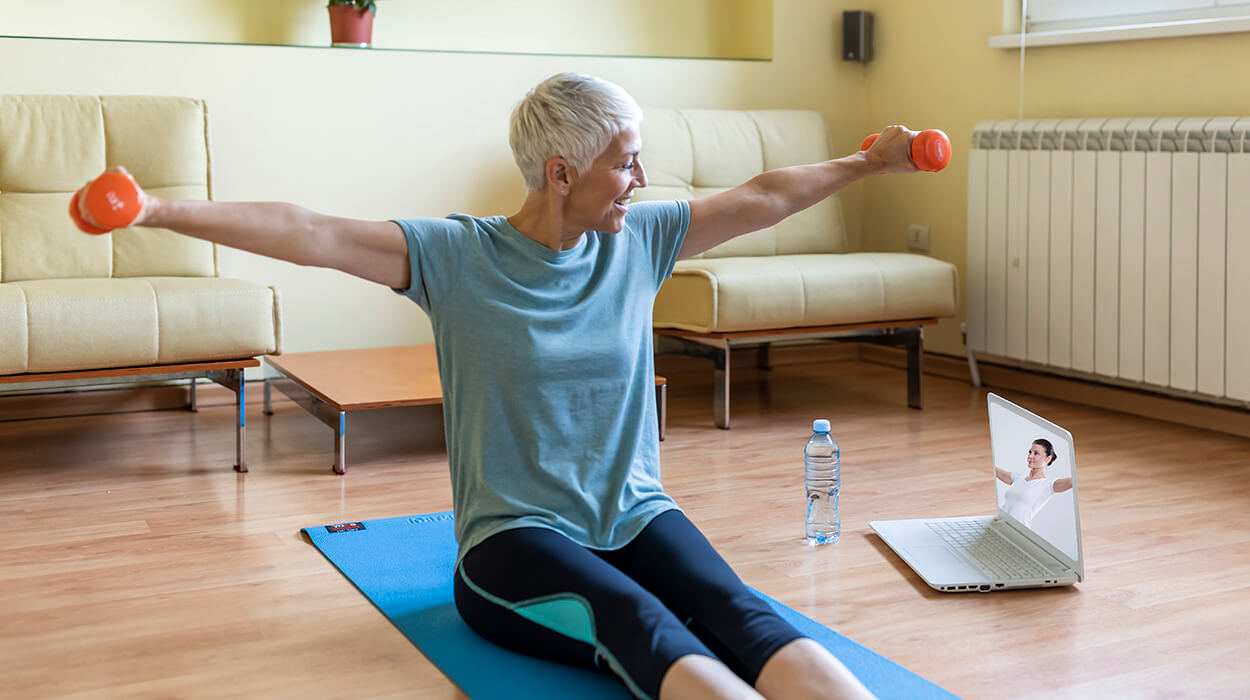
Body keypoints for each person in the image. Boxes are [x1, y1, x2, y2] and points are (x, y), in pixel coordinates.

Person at [75, 72, 923, 700]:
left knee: (740, 608)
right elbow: (308, 231)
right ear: (562, 173)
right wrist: (155, 210)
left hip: (634, 512)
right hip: (511, 544)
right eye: (627, 164)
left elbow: (767, 195)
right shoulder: (456, 257)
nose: (641, 180)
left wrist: (870, 161)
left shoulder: (640, 239)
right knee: (641, 625)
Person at [995, 438, 1074, 528]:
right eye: (1030, 452)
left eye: (1036, 453)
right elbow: (994, 469)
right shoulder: (1018, 478)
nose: (1030, 456)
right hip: (999, 525)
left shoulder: (1048, 484)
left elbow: (1072, 481)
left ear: (1048, 459)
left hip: (1018, 532)